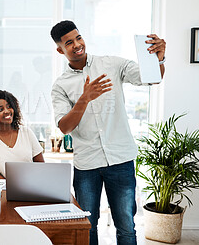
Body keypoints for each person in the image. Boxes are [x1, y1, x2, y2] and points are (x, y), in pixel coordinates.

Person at [50, 20, 166, 245]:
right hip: (87, 165)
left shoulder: (111, 64)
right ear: (60, 50)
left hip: (120, 159)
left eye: (78, 38)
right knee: (87, 228)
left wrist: (159, 59)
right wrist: (84, 98)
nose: (77, 45)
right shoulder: (60, 85)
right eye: (69, 43)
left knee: (126, 227)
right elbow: (64, 126)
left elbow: (152, 77)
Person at [0, 90, 45, 179]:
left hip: (33, 187)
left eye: (9, 107)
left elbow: (41, 165)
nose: (7, 111)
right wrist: (13, 188)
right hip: (4, 190)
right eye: (0, 109)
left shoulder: (26, 132)